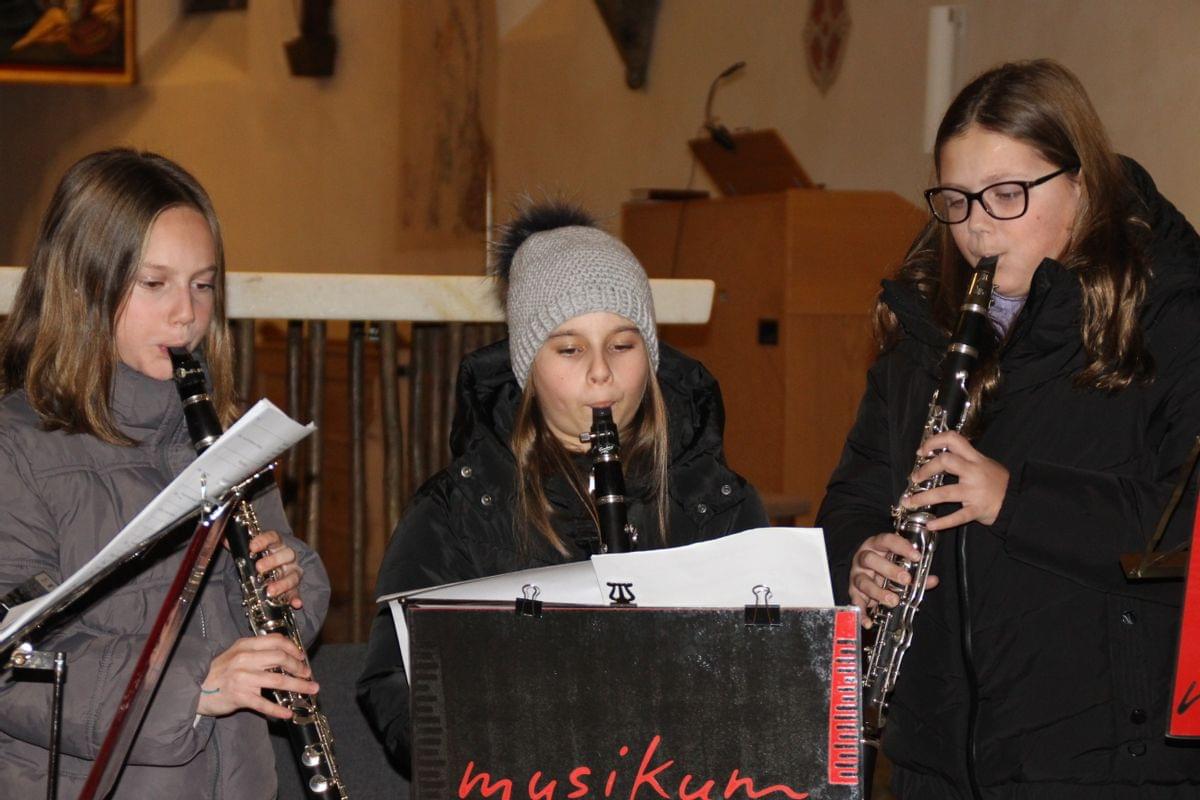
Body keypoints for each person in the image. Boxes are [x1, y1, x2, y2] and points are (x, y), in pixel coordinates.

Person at [817, 59, 1200, 799]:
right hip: (935, 763)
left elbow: (1185, 532)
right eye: (955, 200)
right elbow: (852, 495)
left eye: (1006, 194)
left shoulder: (1171, 321)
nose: (977, 226)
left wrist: (1012, 499)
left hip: (1106, 764)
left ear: (1082, 184)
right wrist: (858, 556)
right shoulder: (927, 330)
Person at [357, 201, 768, 774]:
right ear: (528, 365)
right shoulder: (455, 510)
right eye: (570, 349)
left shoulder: (718, 501)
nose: (600, 372)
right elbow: (399, 689)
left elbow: (770, 680)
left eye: (622, 345)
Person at [0, 149, 331, 799]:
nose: (186, 313)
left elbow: (270, 625)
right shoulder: (18, 449)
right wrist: (194, 687)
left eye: (202, 285)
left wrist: (293, 582)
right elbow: (16, 667)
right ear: (83, 284)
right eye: (155, 284)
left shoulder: (230, 439)